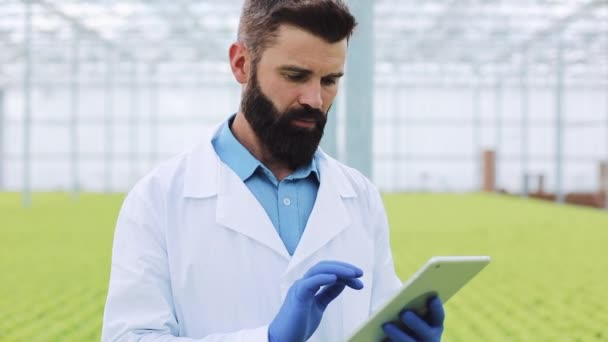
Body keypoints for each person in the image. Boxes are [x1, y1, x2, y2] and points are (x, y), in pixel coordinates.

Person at [102, 1, 445, 341]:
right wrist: (268, 339)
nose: (314, 99)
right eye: (296, 75)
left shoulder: (359, 195)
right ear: (241, 64)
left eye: (330, 80)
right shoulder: (160, 198)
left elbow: (376, 319)